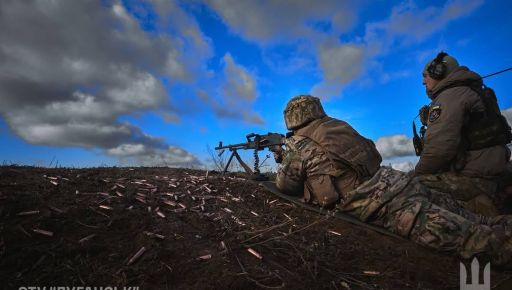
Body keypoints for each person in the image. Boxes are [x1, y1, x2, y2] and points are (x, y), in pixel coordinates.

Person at [274, 94, 512, 267]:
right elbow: (371, 154)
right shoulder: (338, 126)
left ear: (291, 120)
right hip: (394, 181)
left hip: (379, 203)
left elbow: (286, 185)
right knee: (477, 219)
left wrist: (284, 158)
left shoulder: (300, 144)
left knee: (473, 240)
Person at [414, 52, 511, 216]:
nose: (423, 81)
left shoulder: (450, 96)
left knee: (409, 186)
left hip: (474, 178)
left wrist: (416, 174)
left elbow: (439, 150)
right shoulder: (472, 91)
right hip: (492, 171)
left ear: (439, 71)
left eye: (426, 75)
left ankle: (479, 206)